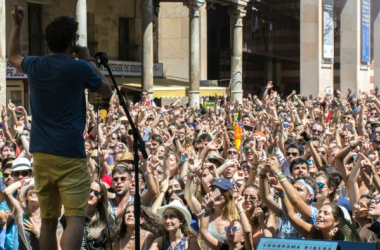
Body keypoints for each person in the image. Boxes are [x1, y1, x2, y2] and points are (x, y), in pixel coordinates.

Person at [7, 5, 112, 250]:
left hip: (41, 153)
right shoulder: (79, 67)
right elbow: (106, 89)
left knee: (48, 219)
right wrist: (85, 57)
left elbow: (12, 56)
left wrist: (18, 24)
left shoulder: (35, 64)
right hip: (70, 153)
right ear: (71, 42)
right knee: (76, 216)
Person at [60, 180, 109, 249]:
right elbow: (59, 236)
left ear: (100, 197)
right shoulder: (71, 215)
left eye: (96, 193)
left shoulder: (105, 220)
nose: (91, 194)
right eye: (89, 190)